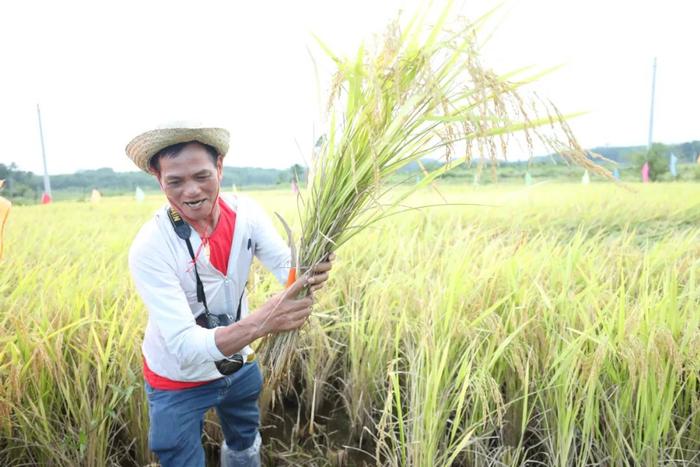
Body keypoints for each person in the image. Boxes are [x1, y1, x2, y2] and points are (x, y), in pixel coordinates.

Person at [125, 123, 333, 467]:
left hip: (237, 364)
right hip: (177, 378)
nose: (191, 192)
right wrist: (264, 321)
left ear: (220, 165)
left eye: (202, 176)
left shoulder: (246, 215)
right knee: (177, 457)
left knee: (245, 440)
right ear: (157, 177)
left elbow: (286, 268)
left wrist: (311, 266)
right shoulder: (151, 247)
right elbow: (184, 346)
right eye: (175, 182)